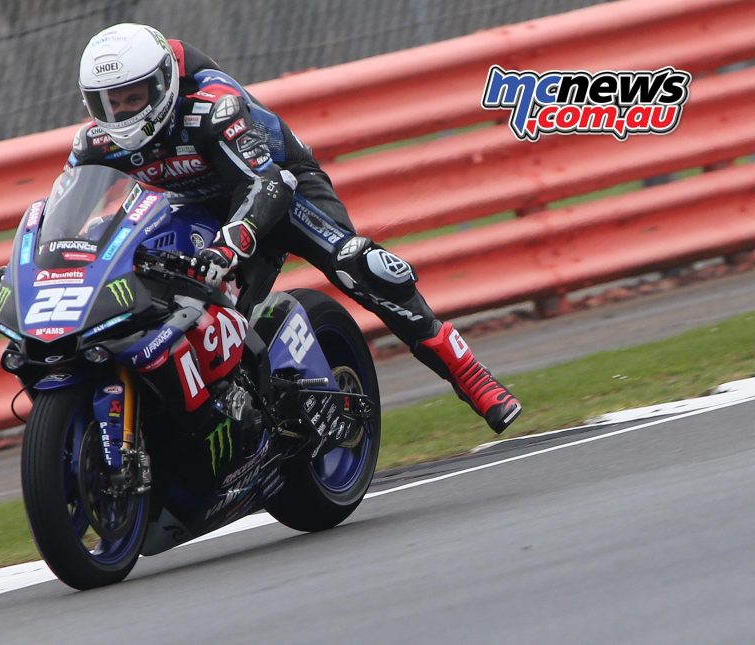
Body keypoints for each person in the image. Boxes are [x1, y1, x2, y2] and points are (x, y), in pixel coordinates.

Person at [68, 23, 521, 434]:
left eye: (135, 96)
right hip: (191, 206)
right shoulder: (94, 141)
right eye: (110, 102)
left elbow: (264, 184)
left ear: (164, 83)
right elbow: (66, 207)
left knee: (359, 265)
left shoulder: (212, 105)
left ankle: (471, 377)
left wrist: (231, 244)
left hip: (281, 189)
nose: (123, 111)